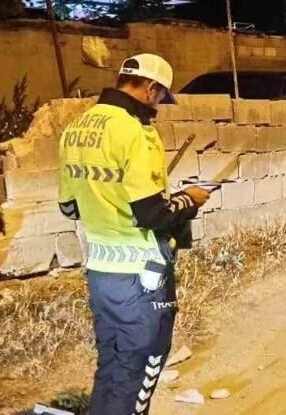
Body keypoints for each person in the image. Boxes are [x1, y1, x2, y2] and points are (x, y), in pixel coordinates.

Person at [57, 53, 211, 415]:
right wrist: (189, 200)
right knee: (141, 367)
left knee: (112, 364)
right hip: (143, 275)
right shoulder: (136, 133)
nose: (157, 105)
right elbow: (152, 214)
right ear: (151, 88)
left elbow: (69, 208)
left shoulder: (76, 128)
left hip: (101, 271)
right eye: (160, 97)